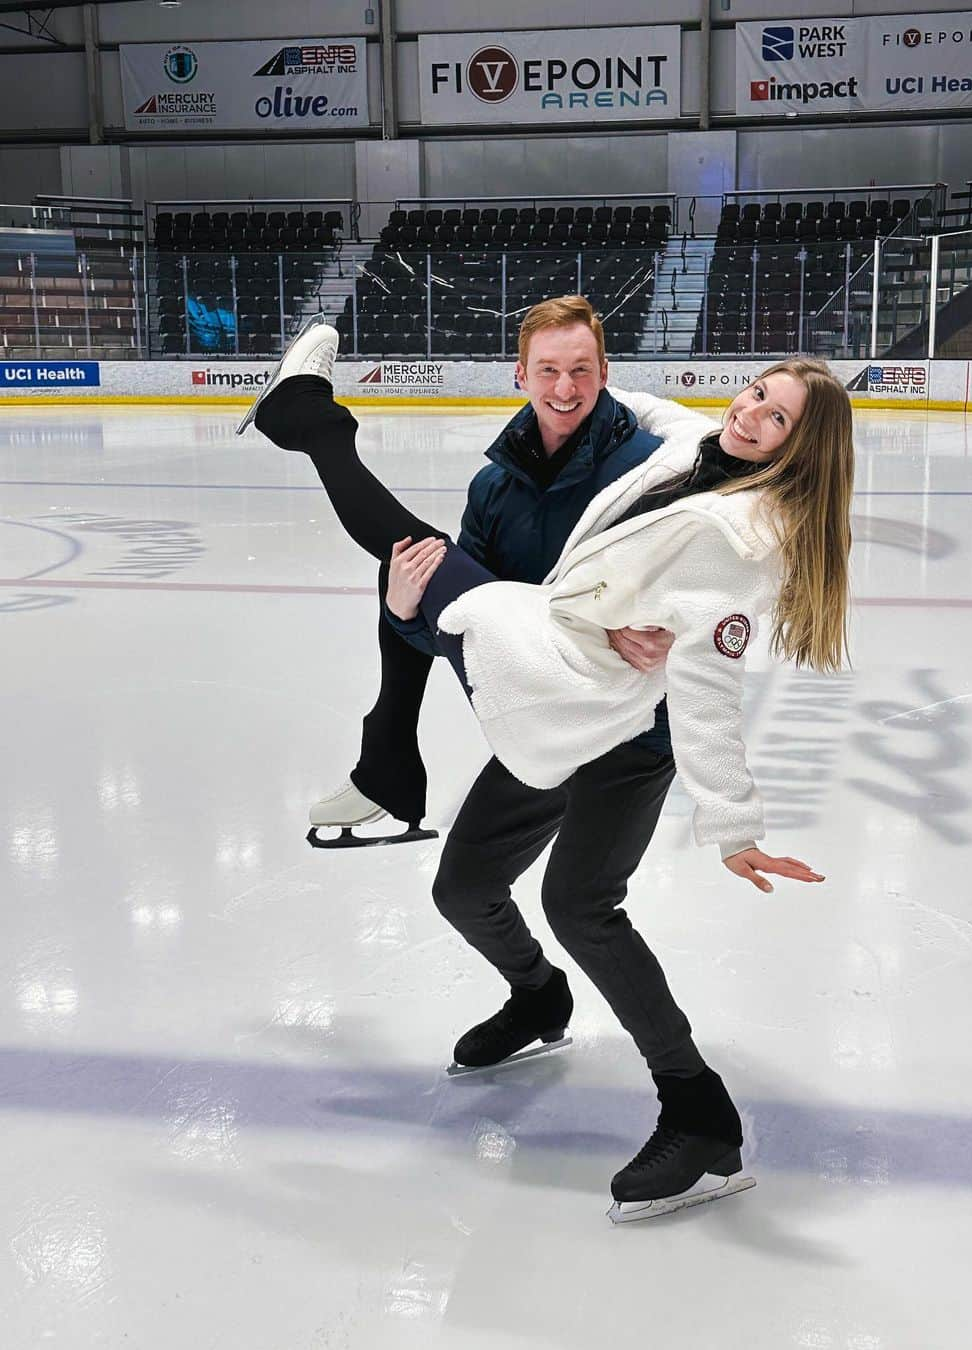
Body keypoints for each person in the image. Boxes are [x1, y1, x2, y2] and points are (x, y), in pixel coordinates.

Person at [243, 319, 855, 1222]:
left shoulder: (747, 540)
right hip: (562, 672)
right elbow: (646, 404)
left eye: (776, 417)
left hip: (608, 717)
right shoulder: (692, 442)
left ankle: (700, 1115)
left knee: (580, 903)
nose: (751, 411)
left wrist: (732, 825)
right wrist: (573, 389)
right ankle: (538, 996)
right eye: (756, 390)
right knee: (463, 887)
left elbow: (712, 685)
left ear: (803, 451)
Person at [299, 297, 670, 846]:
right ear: (520, 375)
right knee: (407, 568)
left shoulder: (649, 472)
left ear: (605, 374)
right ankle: (386, 770)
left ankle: (312, 426)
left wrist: (655, 632)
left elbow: (698, 591)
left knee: (417, 551)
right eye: (548, 371)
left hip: (602, 701)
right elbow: (464, 625)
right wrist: (403, 613)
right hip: (529, 682)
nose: (564, 390)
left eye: (580, 371)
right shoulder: (493, 487)